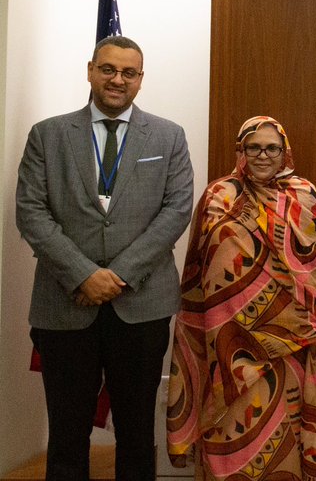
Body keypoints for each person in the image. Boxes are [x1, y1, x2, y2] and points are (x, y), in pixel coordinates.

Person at [15, 35, 194, 480]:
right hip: (64, 305)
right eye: (109, 69)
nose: (118, 80)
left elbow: (176, 211)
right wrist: (82, 275)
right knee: (67, 431)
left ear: (140, 80)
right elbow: (31, 212)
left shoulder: (169, 136)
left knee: (136, 432)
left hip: (141, 305)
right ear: (91, 70)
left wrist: (118, 275)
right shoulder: (48, 134)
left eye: (128, 73)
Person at [166, 116, 316, 480]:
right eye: (254, 147)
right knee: (231, 434)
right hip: (229, 348)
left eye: (272, 148)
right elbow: (197, 271)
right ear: (241, 151)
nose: (263, 155)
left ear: (285, 151)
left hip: (292, 346)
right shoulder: (218, 196)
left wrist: (295, 323)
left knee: (285, 439)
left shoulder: (308, 197)